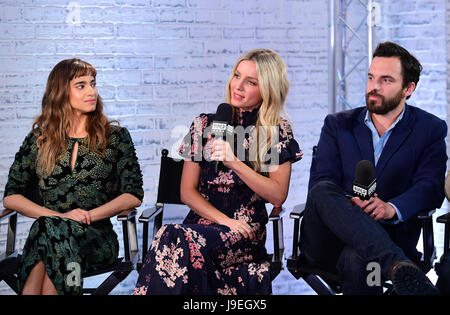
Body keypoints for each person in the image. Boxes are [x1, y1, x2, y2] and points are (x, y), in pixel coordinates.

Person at [134, 48, 302, 295]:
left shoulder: (273, 130)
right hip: (202, 225)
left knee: (173, 239)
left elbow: (277, 196)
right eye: (236, 76)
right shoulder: (204, 124)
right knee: (173, 236)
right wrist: (224, 221)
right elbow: (186, 192)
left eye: (251, 82)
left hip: (245, 231)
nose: (239, 86)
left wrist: (234, 162)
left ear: (267, 89)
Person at [299, 41, 447, 295]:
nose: (374, 87)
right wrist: (351, 205)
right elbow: (321, 182)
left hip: (388, 235)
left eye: (386, 80)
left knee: (358, 259)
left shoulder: (430, 129)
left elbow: (430, 187)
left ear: (408, 89)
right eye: (371, 77)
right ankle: (397, 265)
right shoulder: (337, 125)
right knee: (322, 190)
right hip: (328, 241)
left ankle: (394, 265)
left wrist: (391, 208)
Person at [2, 58, 144, 295]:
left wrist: (86, 216)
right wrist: (60, 218)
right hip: (53, 239)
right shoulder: (40, 139)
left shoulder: (116, 138)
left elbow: (133, 195)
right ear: (60, 93)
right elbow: (11, 197)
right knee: (52, 233)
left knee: (48, 236)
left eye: (93, 84)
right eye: (81, 85)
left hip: (96, 239)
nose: (92, 92)